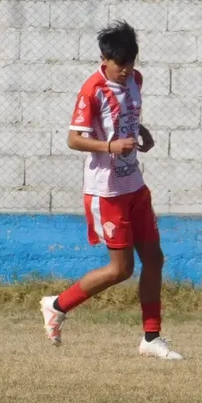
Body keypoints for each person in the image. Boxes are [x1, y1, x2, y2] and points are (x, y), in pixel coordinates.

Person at [40, 21, 182, 360]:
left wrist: (140, 133)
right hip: (107, 192)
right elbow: (73, 139)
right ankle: (57, 305)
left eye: (131, 63)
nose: (126, 71)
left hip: (134, 185)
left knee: (154, 259)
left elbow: (127, 114)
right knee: (121, 269)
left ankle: (151, 337)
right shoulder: (91, 89)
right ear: (105, 60)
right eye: (120, 65)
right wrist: (110, 145)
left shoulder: (136, 79)